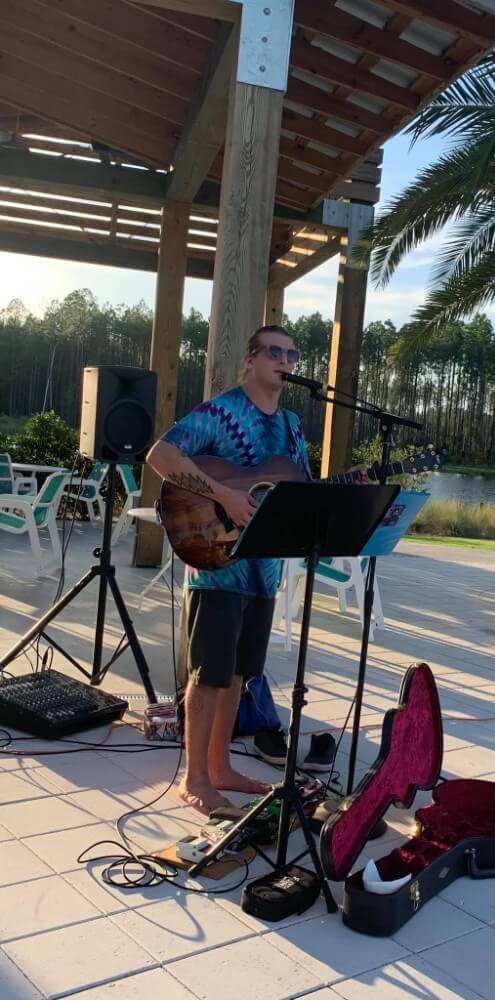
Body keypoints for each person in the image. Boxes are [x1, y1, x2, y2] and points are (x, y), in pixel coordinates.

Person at [148, 324, 335, 815]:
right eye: (275, 351)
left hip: (264, 569)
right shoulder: (222, 411)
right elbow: (161, 455)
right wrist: (225, 494)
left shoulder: (293, 425)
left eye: (292, 354)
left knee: (237, 675)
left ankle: (222, 768)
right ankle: (194, 780)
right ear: (250, 359)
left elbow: (296, 488)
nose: (286, 361)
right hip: (216, 564)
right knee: (208, 674)